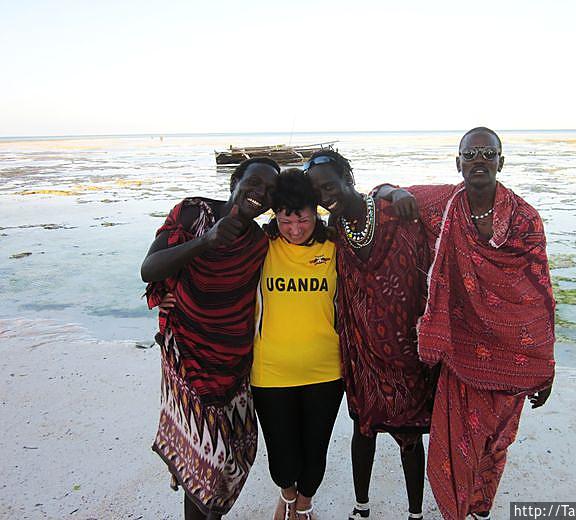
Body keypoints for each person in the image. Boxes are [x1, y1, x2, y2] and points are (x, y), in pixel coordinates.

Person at [379, 127, 555, 520]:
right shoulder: (442, 203)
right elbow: (380, 192)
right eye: (470, 154)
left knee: (495, 443)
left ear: (500, 162)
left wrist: (545, 367)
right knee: (456, 444)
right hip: (462, 351)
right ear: (458, 163)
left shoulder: (525, 219)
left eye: (487, 153)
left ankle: (479, 511)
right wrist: (397, 193)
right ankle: (455, 512)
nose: (479, 160)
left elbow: (539, 295)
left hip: (514, 354)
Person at [140, 157, 279, 520]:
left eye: (269, 191)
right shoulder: (192, 215)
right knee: (207, 459)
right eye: (254, 183)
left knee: (237, 454)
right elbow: (149, 269)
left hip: (235, 364)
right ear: (235, 180)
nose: (260, 195)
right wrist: (206, 241)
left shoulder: (262, 240)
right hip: (188, 354)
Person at [304, 150, 436, 520]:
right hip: (361, 348)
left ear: (348, 176)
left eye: (329, 184)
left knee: (409, 437)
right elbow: (290, 236)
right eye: (316, 191)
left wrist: (394, 188)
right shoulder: (332, 228)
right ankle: (361, 509)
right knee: (363, 429)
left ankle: (415, 513)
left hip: (405, 347)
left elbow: (443, 215)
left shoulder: (393, 207)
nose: (324, 194)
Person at [251, 168, 343, 520]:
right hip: (270, 371)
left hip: (326, 370)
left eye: (302, 219)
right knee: (282, 457)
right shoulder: (260, 246)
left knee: (314, 451)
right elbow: (214, 264)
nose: (294, 229)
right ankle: (286, 496)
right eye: (285, 220)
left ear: (316, 211)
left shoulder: (335, 246)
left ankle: (303, 505)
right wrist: (167, 293)